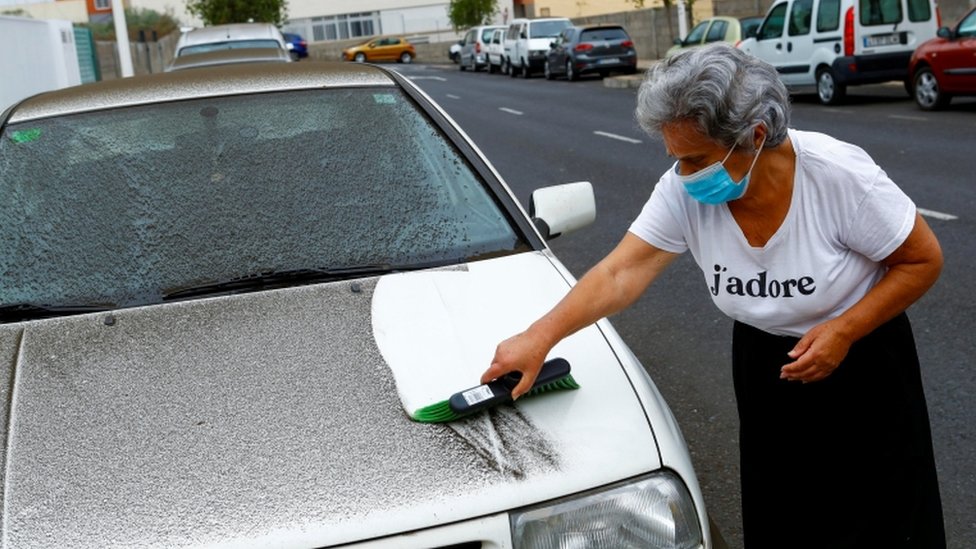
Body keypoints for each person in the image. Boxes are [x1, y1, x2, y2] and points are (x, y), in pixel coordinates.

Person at [480, 43, 946, 548]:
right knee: (786, 514)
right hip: (768, 362)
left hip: (863, 359)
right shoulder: (682, 191)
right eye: (675, 159)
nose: (684, 175)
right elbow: (621, 272)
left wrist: (844, 330)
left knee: (882, 516)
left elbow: (922, 260)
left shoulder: (837, 176)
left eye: (696, 159)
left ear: (755, 135)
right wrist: (540, 336)